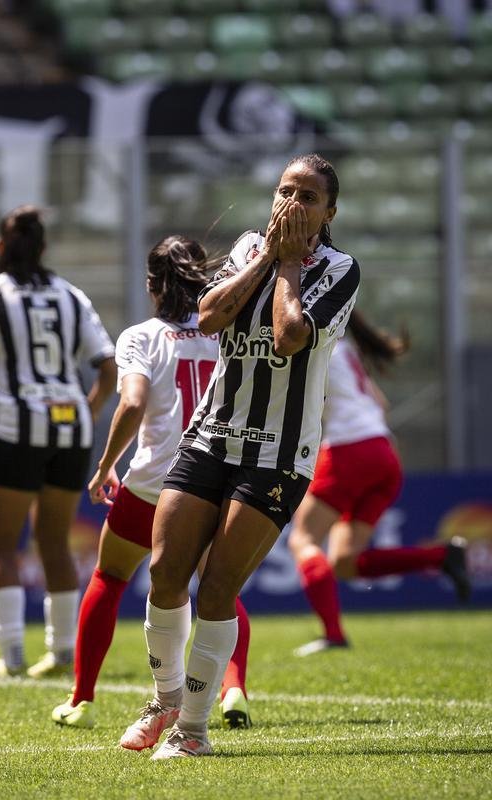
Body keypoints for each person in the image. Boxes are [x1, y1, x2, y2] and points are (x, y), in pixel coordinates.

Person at [120, 153, 360, 759]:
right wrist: (266, 257)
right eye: (285, 191)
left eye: (308, 197)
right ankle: (164, 698)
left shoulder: (339, 268)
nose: (293, 204)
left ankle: (192, 731)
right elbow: (208, 313)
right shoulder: (250, 244)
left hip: (278, 454)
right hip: (211, 436)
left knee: (218, 586)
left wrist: (286, 265)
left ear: (330, 212)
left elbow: (289, 335)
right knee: (166, 573)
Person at [51, 235, 252, 732]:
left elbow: (133, 403)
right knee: (220, 589)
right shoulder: (223, 331)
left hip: (151, 484)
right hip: (211, 477)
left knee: (110, 577)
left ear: (151, 285)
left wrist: (103, 468)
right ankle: (234, 690)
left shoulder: (141, 337)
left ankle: (82, 700)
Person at [0, 205, 116, 684]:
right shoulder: (70, 294)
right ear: (43, 249)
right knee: (53, 541)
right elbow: (108, 368)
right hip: (72, 426)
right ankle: (61, 653)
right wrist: (87, 414)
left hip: (20, 426)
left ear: (0, 247)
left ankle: (12, 657)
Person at [289, 310, 470, 657]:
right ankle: (441, 555)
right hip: (384, 452)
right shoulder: (347, 348)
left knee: (303, 538)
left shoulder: (312, 346)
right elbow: (380, 404)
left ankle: (333, 634)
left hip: (347, 452)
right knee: (345, 561)